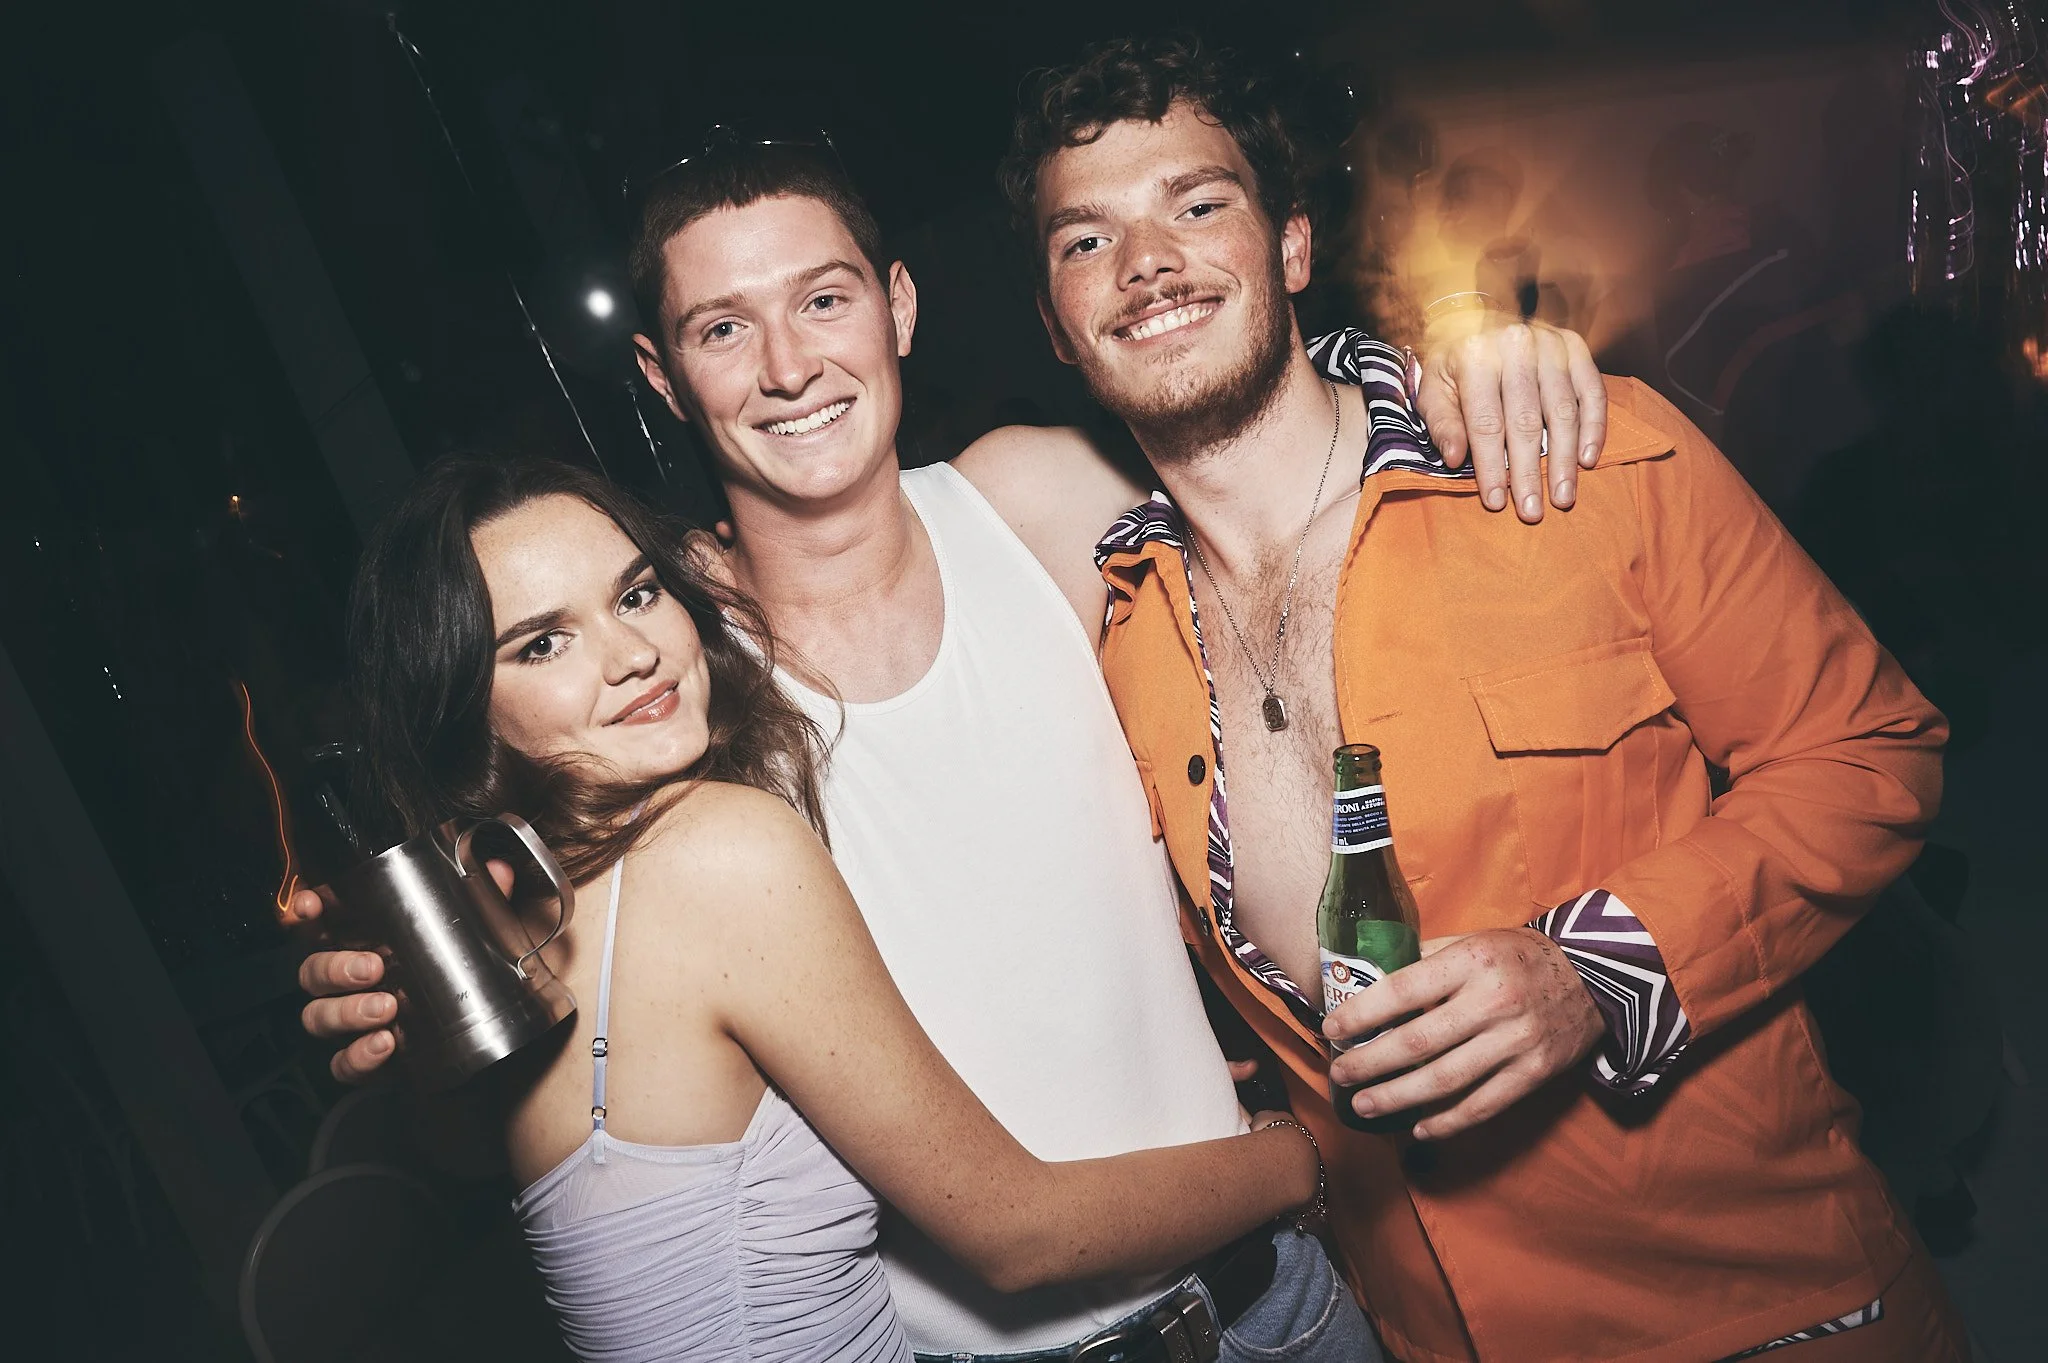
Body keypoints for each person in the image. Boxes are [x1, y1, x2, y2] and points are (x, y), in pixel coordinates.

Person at [292, 132, 1602, 1357]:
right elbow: (562, 1091)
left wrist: (1447, 366)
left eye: (823, 299)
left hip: (1278, 1301)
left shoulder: (1032, 500)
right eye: (722, 328)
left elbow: (1275, 456)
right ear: (660, 375)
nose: (788, 366)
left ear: (898, 306)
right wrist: (416, 1024)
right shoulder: (660, 664)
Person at [1002, 33, 1969, 1363]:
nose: (1147, 262)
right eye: (1086, 238)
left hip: (1758, 1306)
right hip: (1420, 1330)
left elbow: (1870, 753)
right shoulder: (1117, 641)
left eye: (1197, 203)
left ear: (1290, 245)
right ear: (1055, 323)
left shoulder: (1579, 457)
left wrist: (1594, 971)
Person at [341, 450, 1326, 1362]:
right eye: (543, 643)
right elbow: (1019, 1233)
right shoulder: (716, 847)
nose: (631, 652)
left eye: (636, 593)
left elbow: (502, 1160)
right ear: (464, 710)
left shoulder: (525, 915)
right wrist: (1298, 1158)